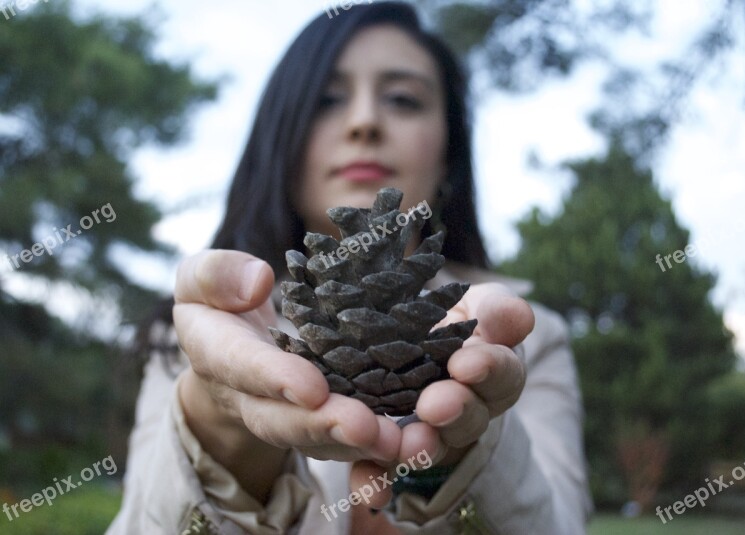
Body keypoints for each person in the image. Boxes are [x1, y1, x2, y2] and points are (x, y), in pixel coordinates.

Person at [107, 2, 592, 533]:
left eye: (404, 100)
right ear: (281, 143)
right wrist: (219, 427)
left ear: (449, 154)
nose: (364, 122)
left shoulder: (529, 337)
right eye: (327, 100)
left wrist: (466, 457)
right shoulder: (191, 336)